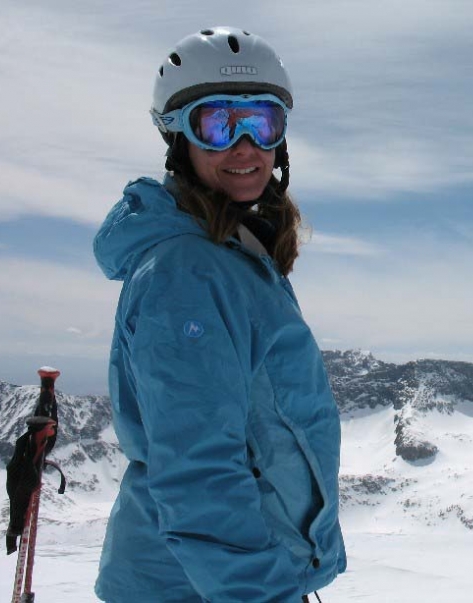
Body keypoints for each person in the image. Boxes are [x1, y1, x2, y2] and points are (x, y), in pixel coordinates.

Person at [92, 26, 346, 603]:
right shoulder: (189, 272)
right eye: (218, 124)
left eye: (262, 121)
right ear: (178, 139)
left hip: (223, 579)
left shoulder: (236, 255)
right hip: (204, 588)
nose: (246, 145)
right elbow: (198, 470)